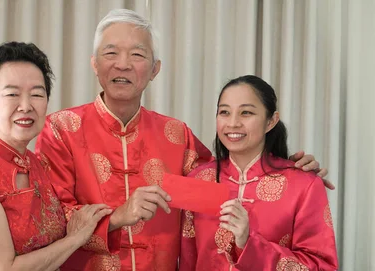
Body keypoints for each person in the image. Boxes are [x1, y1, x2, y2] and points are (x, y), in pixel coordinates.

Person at [35, 9, 330, 271]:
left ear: (155, 69)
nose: (123, 64)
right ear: (94, 64)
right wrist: (116, 217)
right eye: (110, 53)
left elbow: (227, 173)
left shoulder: (176, 134)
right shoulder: (61, 129)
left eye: (137, 54)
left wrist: (285, 168)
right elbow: (50, 219)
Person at [0, 42, 112, 271]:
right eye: (12, 94)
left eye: (37, 94)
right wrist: (74, 239)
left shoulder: (37, 164)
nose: (26, 106)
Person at [178, 75, 338, 271]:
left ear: (271, 121)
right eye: (224, 112)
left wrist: (249, 244)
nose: (233, 123)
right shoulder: (198, 180)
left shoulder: (304, 185)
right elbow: (188, 260)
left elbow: (323, 266)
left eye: (246, 112)